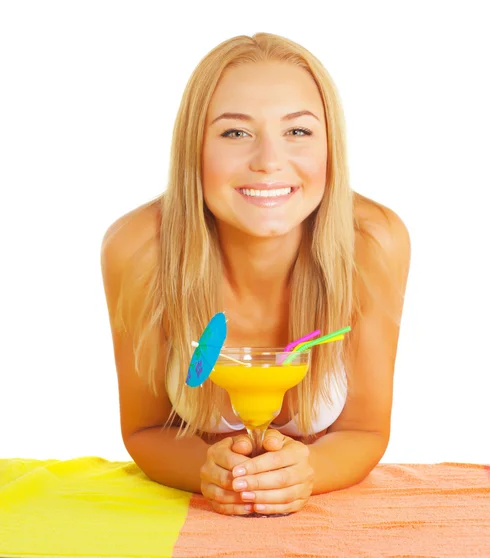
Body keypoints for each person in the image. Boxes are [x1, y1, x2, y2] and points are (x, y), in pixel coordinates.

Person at [101, 32, 411, 517]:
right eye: (235, 132)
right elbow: (146, 430)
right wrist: (210, 471)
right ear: (194, 148)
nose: (269, 161)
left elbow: (365, 430)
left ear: (330, 146)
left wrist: (306, 472)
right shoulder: (139, 250)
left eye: (298, 132)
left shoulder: (373, 242)